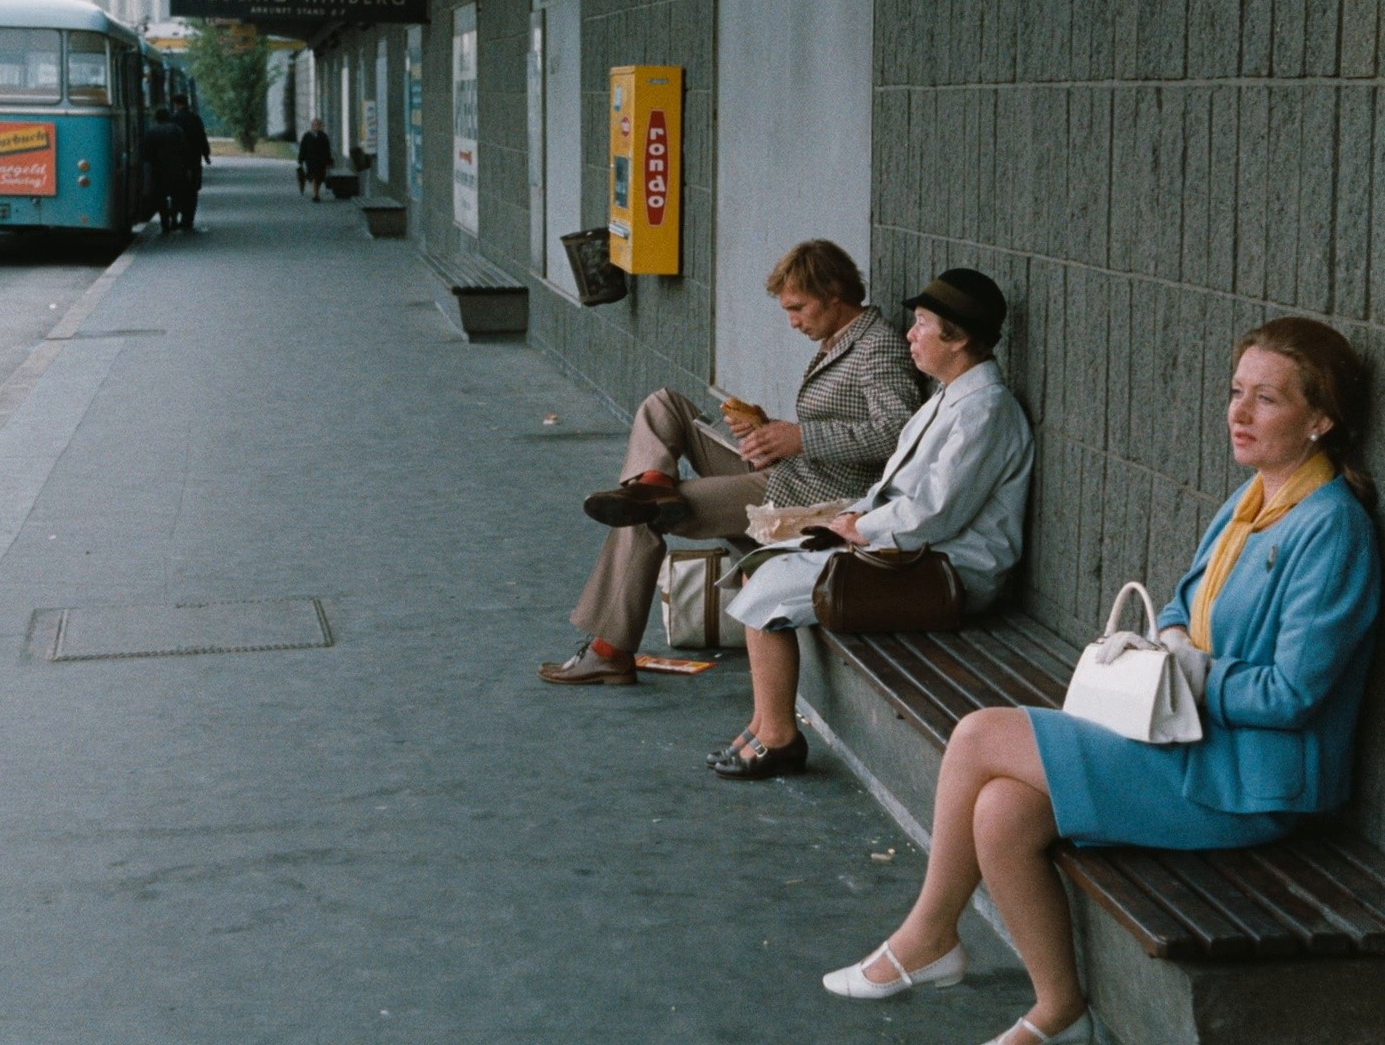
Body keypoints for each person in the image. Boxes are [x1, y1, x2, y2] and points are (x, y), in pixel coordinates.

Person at [820, 317, 1380, 1045]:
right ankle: (1061, 1011)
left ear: (1321, 419)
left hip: (1252, 783)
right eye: (1236, 391)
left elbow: (1295, 696)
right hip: (1193, 742)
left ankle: (930, 935)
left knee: (981, 734)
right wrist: (1171, 640)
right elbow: (1181, 603)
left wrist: (1193, 672)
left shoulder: (1332, 527)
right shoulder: (1254, 499)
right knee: (1001, 811)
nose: (1238, 413)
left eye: (1266, 399)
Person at [538, 239, 924, 685]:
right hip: (792, 471)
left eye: (798, 308)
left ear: (834, 295)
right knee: (664, 405)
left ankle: (608, 650)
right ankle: (654, 482)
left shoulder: (879, 346)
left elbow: (898, 432)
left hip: (816, 495)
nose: (792, 321)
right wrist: (768, 430)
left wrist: (799, 438)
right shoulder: (841, 338)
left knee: (640, 515)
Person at [713, 268, 1033, 778]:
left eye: (923, 324)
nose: (910, 335)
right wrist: (854, 518)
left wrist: (860, 529)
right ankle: (763, 724)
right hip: (912, 552)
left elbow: (936, 511)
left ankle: (779, 737)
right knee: (763, 569)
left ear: (958, 339)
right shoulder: (950, 395)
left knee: (769, 586)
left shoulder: (986, 410)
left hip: (950, 572)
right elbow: (899, 489)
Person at [142, 108, 187, 235]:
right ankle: (174, 218)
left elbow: (146, 154)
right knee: (176, 196)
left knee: (160, 197)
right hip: (176, 168)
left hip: (158, 170)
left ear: (156, 119)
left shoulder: (151, 132)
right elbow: (184, 149)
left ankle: (165, 223)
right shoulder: (177, 130)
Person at [169, 93, 211, 230]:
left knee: (176, 190)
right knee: (192, 190)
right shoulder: (195, 118)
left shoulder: (173, 119)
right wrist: (206, 155)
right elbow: (202, 137)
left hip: (177, 161)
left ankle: (174, 218)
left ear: (176, 104)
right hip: (193, 159)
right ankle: (188, 220)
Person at [298, 118, 334, 202]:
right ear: (312, 126)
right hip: (310, 160)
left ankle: (316, 193)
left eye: (318, 125)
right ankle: (315, 194)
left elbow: (327, 150)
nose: (316, 126)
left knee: (319, 178)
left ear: (320, 126)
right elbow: (303, 148)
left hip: (321, 161)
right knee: (314, 177)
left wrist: (329, 161)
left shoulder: (323, 136)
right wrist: (301, 159)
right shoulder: (307, 136)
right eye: (314, 125)